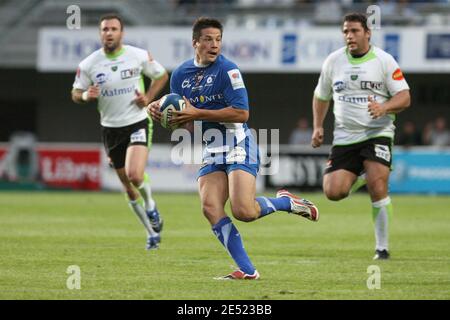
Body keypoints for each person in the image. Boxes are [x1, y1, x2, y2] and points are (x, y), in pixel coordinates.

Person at [148, 17, 318, 280]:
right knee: (210, 207)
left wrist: (196, 111)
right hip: (211, 148)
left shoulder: (229, 71)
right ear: (195, 43)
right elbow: (185, 120)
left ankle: (286, 202)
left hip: (239, 144)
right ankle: (249, 271)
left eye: (218, 39)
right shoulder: (180, 75)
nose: (214, 45)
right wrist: (161, 113)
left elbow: (241, 113)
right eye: (208, 39)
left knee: (244, 212)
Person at [311, 12, 411, 260]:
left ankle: (382, 248)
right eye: (345, 31)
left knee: (378, 186)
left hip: (378, 132)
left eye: (355, 31)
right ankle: (368, 173)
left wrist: (384, 108)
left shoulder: (384, 60)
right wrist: (318, 126)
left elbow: (405, 96)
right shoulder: (333, 61)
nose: (349, 36)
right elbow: (321, 96)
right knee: (333, 193)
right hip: (345, 137)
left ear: (368, 33)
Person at [71, 14, 169, 250]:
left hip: (137, 122)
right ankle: (150, 234)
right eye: (105, 29)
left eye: (114, 29)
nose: (109, 33)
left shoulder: (137, 55)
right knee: (127, 186)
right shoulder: (89, 64)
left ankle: (151, 204)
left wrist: (148, 98)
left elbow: (161, 75)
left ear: (121, 33)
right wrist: (85, 95)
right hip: (110, 129)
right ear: (100, 33)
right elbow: (75, 93)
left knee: (136, 175)